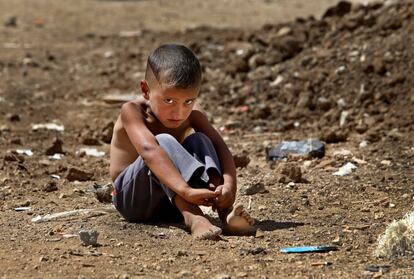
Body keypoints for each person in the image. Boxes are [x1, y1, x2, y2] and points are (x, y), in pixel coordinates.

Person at [110, 44, 254, 239]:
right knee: (163, 141)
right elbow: (148, 150)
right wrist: (185, 190)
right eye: (168, 101)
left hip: (173, 201)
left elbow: (220, 148)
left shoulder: (193, 115)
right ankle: (194, 218)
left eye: (188, 101)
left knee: (201, 140)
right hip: (133, 200)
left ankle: (225, 213)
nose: (178, 112)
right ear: (145, 90)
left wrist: (228, 186)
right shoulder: (133, 112)